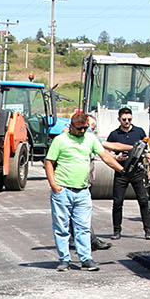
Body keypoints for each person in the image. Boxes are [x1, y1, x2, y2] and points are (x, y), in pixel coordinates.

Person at [46, 109, 103, 271]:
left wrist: (121, 169)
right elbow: (49, 162)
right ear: (71, 126)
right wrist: (54, 185)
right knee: (62, 227)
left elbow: (104, 154)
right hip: (63, 190)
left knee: (83, 227)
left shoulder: (89, 139)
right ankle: (64, 259)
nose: (82, 131)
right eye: (79, 128)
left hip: (83, 191)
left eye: (85, 128)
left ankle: (86, 259)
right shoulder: (60, 140)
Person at [101, 105, 150, 241]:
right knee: (118, 202)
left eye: (129, 119)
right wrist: (116, 157)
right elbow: (106, 153)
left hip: (137, 171)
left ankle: (148, 230)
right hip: (121, 172)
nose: (127, 122)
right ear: (119, 119)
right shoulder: (114, 134)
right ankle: (116, 231)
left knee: (143, 201)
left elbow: (147, 150)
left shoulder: (139, 132)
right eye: (124, 119)